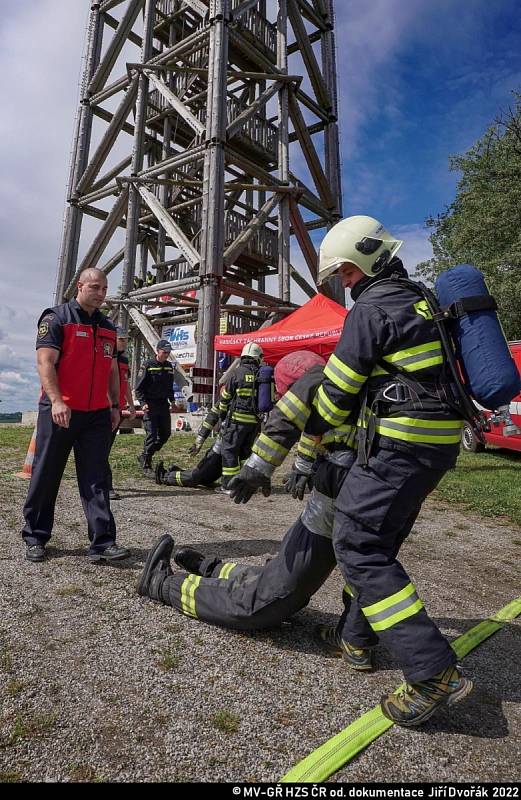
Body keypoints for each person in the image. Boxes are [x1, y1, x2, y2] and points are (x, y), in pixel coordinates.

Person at [301, 214, 473, 726]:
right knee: (380, 537)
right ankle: (354, 640)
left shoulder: (372, 311)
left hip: (401, 446)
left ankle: (431, 671)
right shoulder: (420, 297)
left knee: (356, 541)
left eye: (348, 275)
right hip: (438, 446)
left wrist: (313, 437)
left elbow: (336, 394)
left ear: (369, 262)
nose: (346, 285)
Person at [137, 352, 365, 641]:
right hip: (329, 493)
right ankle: (213, 569)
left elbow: (302, 425)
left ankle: (163, 584)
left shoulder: (328, 391)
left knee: (264, 603)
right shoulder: (353, 398)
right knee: (277, 579)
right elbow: (309, 429)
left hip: (334, 496)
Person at [21, 268, 130, 564]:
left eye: (105, 288)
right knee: (46, 474)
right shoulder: (57, 318)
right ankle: (35, 537)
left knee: (95, 478)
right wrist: (56, 401)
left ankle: (102, 543)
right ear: (79, 287)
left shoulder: (108, 327)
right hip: (61, 411)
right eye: (95, 287)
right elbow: (45, 362)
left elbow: (110, 370)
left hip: (96, 414)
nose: (101, 292)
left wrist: (114, 406)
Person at [218, 342, 264, 493]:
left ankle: (229, 485)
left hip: (237, 421)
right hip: (254, 423)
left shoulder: (238, 373)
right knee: (245, 452)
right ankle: (246, 482)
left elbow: (225, 397)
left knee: (229, 450)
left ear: (243, 356)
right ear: (258, 358)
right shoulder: (262, 374)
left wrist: (222, 416)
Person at [154, 402, 222, 489]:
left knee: (205, 479)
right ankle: (165, 476)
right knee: (197, 477)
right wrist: (199, 441)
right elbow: (213, 415)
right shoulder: (231, 391)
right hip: (222, 448)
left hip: (233, 450)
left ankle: (179, 473)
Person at [135, 339, 176, 475]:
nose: (166, 355)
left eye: (168, 353)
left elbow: (170, 387)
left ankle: (145, 454)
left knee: (165, 434)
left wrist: (173, 401)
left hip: (163, 405)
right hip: (150, 405)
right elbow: (139, 388)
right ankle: (147, 463)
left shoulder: (169, 367)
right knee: (151, 434)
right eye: (164, 352)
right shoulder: (148, 365)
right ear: (157, 351)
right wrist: (142, 403)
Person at [107, 328, 136, 500]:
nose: (124, 343)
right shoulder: (106, 356)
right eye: (121, 339)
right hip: (105, 409)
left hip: (118, 410)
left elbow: (125, 385)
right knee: (102, 450)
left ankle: (98, 482)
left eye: (125, 340)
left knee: (105, 449)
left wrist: (131, 406)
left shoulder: (124, 360)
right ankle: (106, 486)